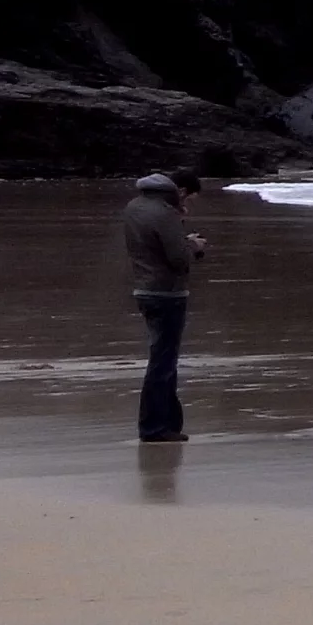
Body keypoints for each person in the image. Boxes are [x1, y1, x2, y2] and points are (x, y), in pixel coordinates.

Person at [122, 169, 208, 442]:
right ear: (180, 191)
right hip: (166, 293)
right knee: (163, 363)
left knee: (161, 359)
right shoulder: (164, 213)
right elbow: (178, 259)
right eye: (189, 197)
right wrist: (193, 245)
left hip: (144, 288)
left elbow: (152, 246)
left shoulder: (135, 206)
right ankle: (154, 427)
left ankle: (167, 423)